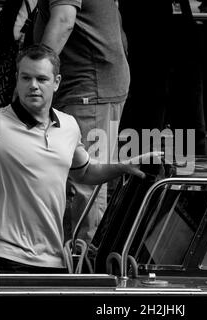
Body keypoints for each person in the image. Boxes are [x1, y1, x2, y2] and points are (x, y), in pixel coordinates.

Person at [0, 44, 154, 274]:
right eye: (26, 78)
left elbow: (84, 172)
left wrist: (122, 167)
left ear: (56, 82)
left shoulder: (69, 125)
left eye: (41, 79)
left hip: (53, 260)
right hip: (3, 257)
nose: (33, 85)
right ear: (17, 79)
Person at [33, 0, 130, 243]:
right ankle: (75, 255)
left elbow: (64, 20)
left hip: (88, 86)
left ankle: (85, 267)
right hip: (89, 83)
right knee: (80, 177)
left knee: (86, 180)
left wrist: (33, 75)